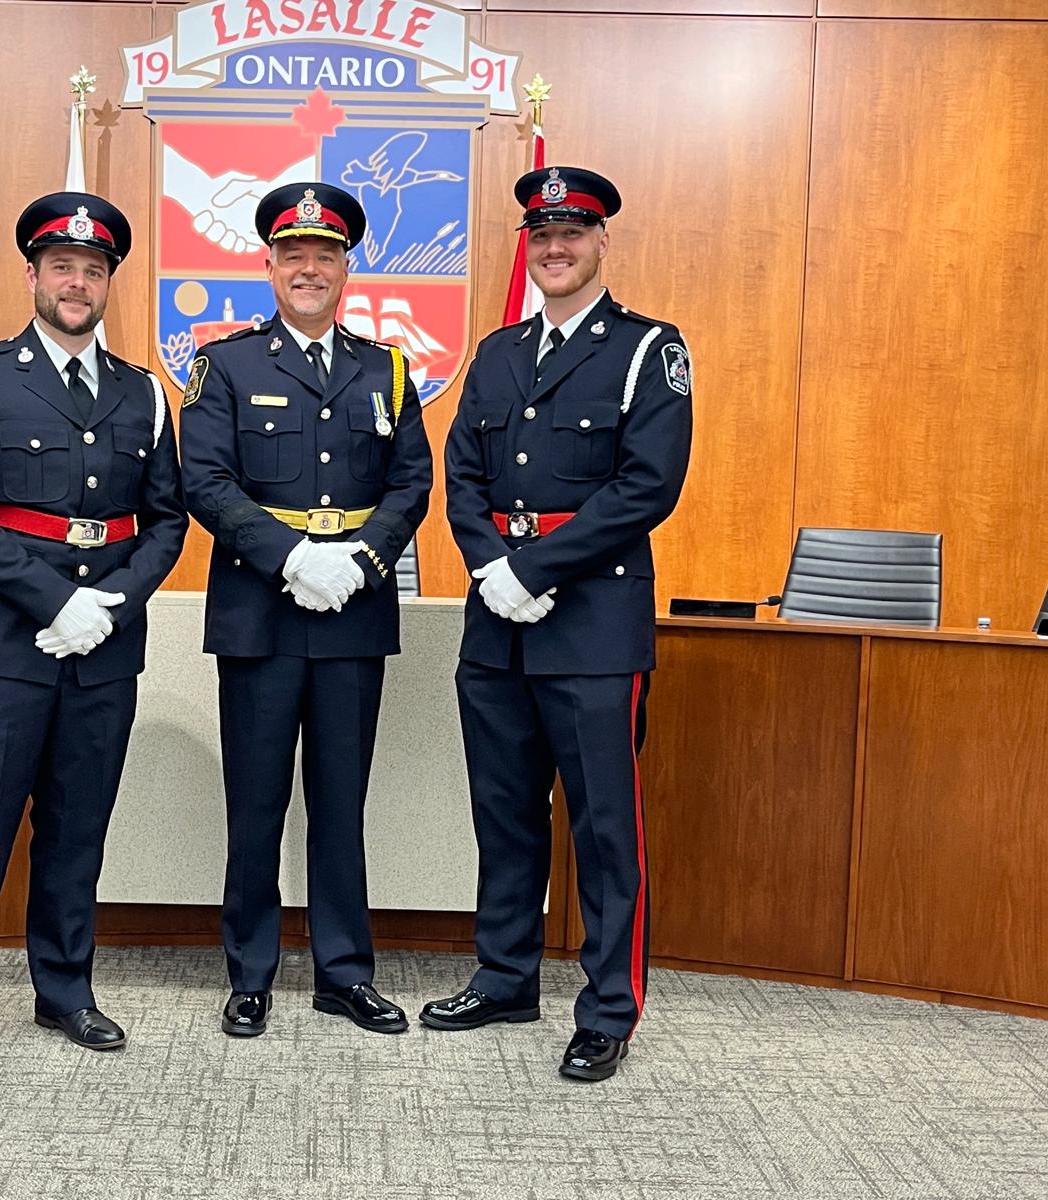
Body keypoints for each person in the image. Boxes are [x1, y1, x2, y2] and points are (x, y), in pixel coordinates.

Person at [0, 192, 187, 1077]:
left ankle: (66, 991)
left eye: (93, 271)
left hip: (102, 650)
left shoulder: (142, 391)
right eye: (62, 267)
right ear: (33, 274)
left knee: (78, 828)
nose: (77, 282)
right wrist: (52, 604)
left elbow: (167, 521)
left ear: (108, 285)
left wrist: (109, 606)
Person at [424, 166, 693, 1082]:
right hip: (496, 621)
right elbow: (460, 472)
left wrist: (534, 567)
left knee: (606, 828)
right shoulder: (498, 354)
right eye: (540, 237)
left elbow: (646, 486)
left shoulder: (650, 349)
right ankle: (505, 976)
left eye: (571, 234)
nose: (555, 249)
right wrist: (492, 567)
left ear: (601, 243)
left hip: (592, 625)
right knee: (503, 814)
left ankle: (610, 1007)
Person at [179, 182, 433, 1038]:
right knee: (255, 803)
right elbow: (203, 480)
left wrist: (360, 560)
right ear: (270, 266)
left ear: (347, 267)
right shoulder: (227, 364)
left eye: (326, 255)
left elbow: (412, 481)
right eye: (295, 255)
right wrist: (290, 556)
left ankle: (343, 973)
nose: (310, 269)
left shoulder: (386, 367)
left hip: (354, 612)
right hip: (261, 610)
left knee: (339, 804)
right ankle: (249, 972)